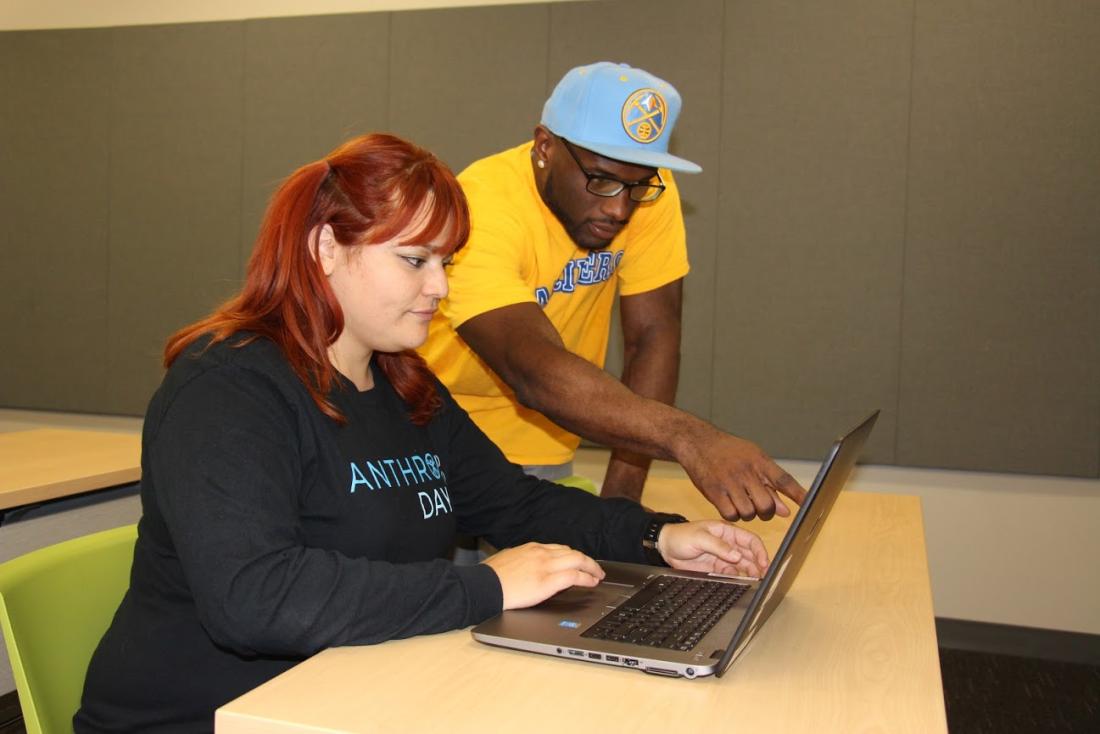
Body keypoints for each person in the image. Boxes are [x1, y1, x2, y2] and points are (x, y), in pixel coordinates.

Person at [73, 133, 769, 733]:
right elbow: (257, 597)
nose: (440, 288)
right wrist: (485, 588)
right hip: (210, 718)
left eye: (447, 262)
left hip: (353, 696)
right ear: (325, 249)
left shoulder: (406, 384)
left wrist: (657, 537)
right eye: (415, 260)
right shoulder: (227, 389)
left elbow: (516, 505)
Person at [419, 61, 807, 521]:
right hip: (434, 431)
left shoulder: (648, 191)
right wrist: (688, 436)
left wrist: (621, 506)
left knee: (558, 587)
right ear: (545, 146)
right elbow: (531, 370)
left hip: (547, 435)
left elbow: (654, 337)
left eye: (636, 185)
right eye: (600, 180)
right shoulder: (481, 207)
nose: (620, 208)